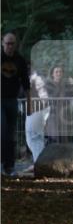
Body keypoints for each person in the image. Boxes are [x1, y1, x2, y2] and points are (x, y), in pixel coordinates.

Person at [1, 33, 30, 175]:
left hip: (12, 100)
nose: (9, 46)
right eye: (7, 43)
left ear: (16, 44)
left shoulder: (20, 60)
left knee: (10, 134)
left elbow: (26, 83)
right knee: (2, 129)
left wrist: (29, 104)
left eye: (12, 43)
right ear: (2, 43)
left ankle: (9, 166)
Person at [43, 65, 73, 144]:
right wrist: (60, 86)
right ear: (52, 74)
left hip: (64, 113)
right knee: (53, 135)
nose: (59, 73)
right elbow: (51, 96)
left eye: (60, 72)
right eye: (56, 72)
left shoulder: (66, 85)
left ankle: (63, 153)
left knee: (63, 136)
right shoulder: (48, 84)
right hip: (52, 113)